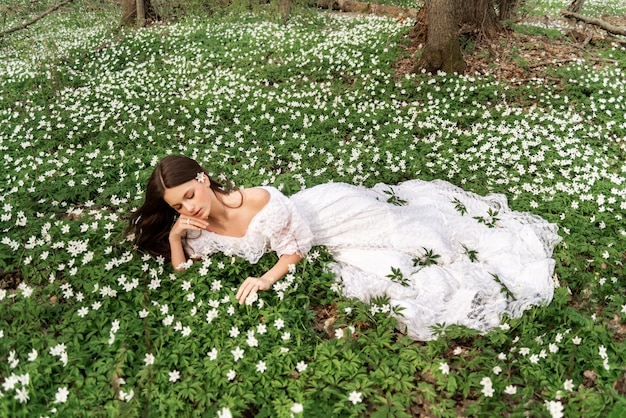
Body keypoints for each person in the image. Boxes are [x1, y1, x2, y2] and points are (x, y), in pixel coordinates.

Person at [128, 155, 561, 340]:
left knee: (424, 238)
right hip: (320, 233)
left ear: (203, 179)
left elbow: (292, 251)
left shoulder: (261, 202)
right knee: (393, 264)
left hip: (333, 212)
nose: (189, 206)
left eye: (189, 194)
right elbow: (184, 273)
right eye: (177, 205)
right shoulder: (197, 229)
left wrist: (264, 279)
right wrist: (173, 238)